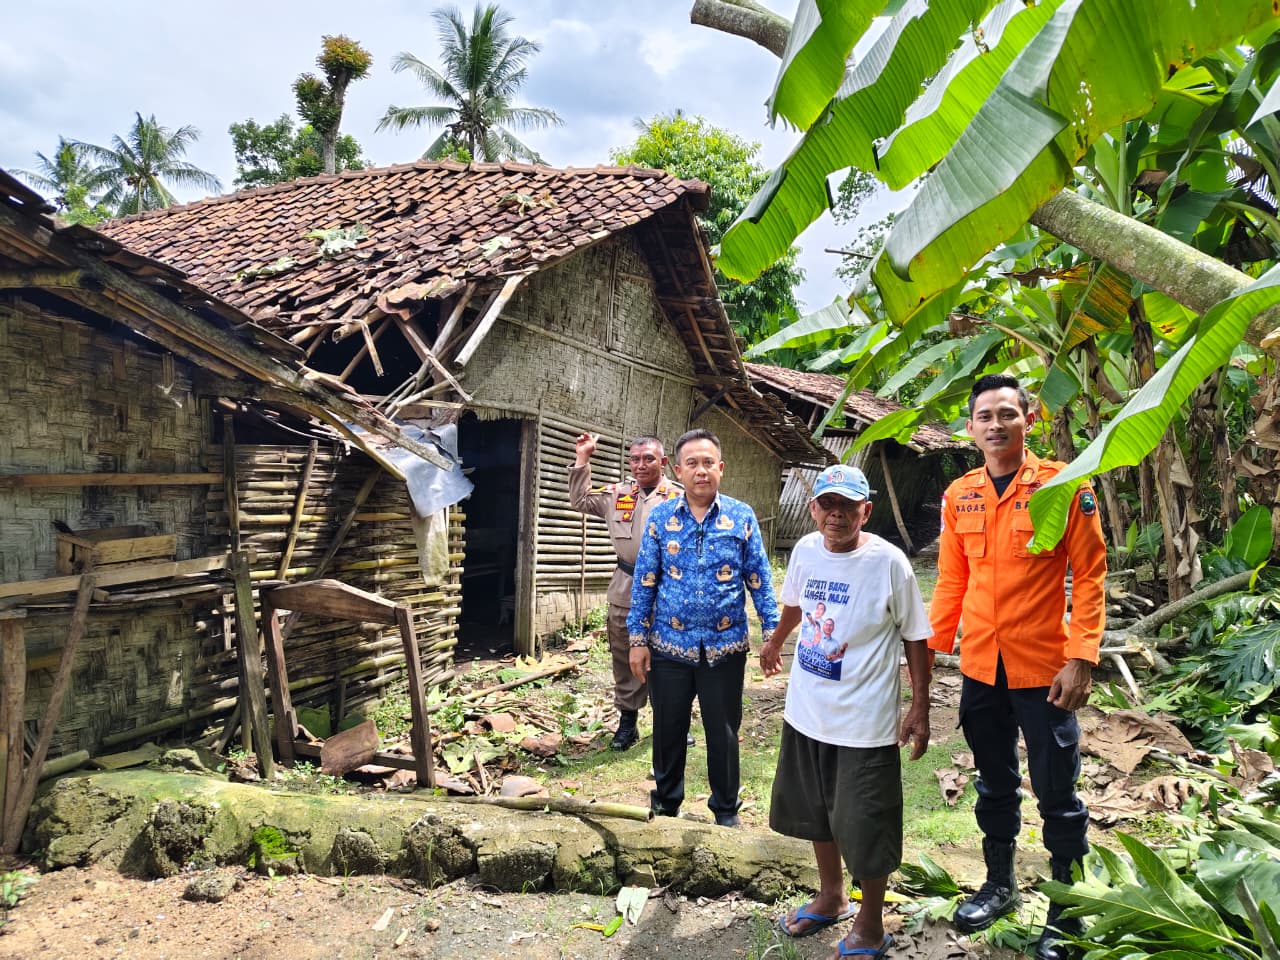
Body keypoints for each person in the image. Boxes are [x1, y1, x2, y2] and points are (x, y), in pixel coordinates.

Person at [928, 374, 1106, 960]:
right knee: (995, 782)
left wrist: (1082, 657)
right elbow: (952, 578)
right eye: (985, 416)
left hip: (1045, 669)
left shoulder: (1062, 484)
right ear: (972, 427)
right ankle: (1000, 886)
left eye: (1008, 413)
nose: (996, 424)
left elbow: (1091, 571)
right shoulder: (961, 494)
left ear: (1029, 418)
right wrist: (929, 650)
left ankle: (1067, 912)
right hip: (981, 665)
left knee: (1058, 793)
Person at [760, 464, 932, 960]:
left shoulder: (889, 564)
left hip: (865, 722)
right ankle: (832, 895)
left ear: (866, 511)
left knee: (865, 821)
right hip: (807, 711)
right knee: (816, 811)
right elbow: (794, 603)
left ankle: (872, 925)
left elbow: (917, 638)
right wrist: (775, 641)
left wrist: (919, 706)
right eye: (827, 505)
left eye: (847, 507)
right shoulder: (807, 551)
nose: (836, 516)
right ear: (813, 508)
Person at [627, 428, 779, 827]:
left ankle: (726, 811)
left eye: (708, 463)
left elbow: (759, 578)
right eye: (691, 463)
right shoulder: (661, 518)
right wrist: (637, 640)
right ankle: (666, 802)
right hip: (668, 647)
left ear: (721, 468)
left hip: (724, 648)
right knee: (668, 728)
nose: (700, 471)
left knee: (723, 731)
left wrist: (772, 635)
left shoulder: (741, 516)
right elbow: (645, 580)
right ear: (678, 470)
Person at [569, 433, 681, 751]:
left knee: (669, 656)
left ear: (662, 462)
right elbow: (580, 500)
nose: (640, 464)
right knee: (623, 654)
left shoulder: (680, 497)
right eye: (634, 459)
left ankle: (672, 725)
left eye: (648, 459)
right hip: (626, 587)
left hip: (667, 587)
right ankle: (628, 725)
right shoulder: (617, 494)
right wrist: (583, 458)